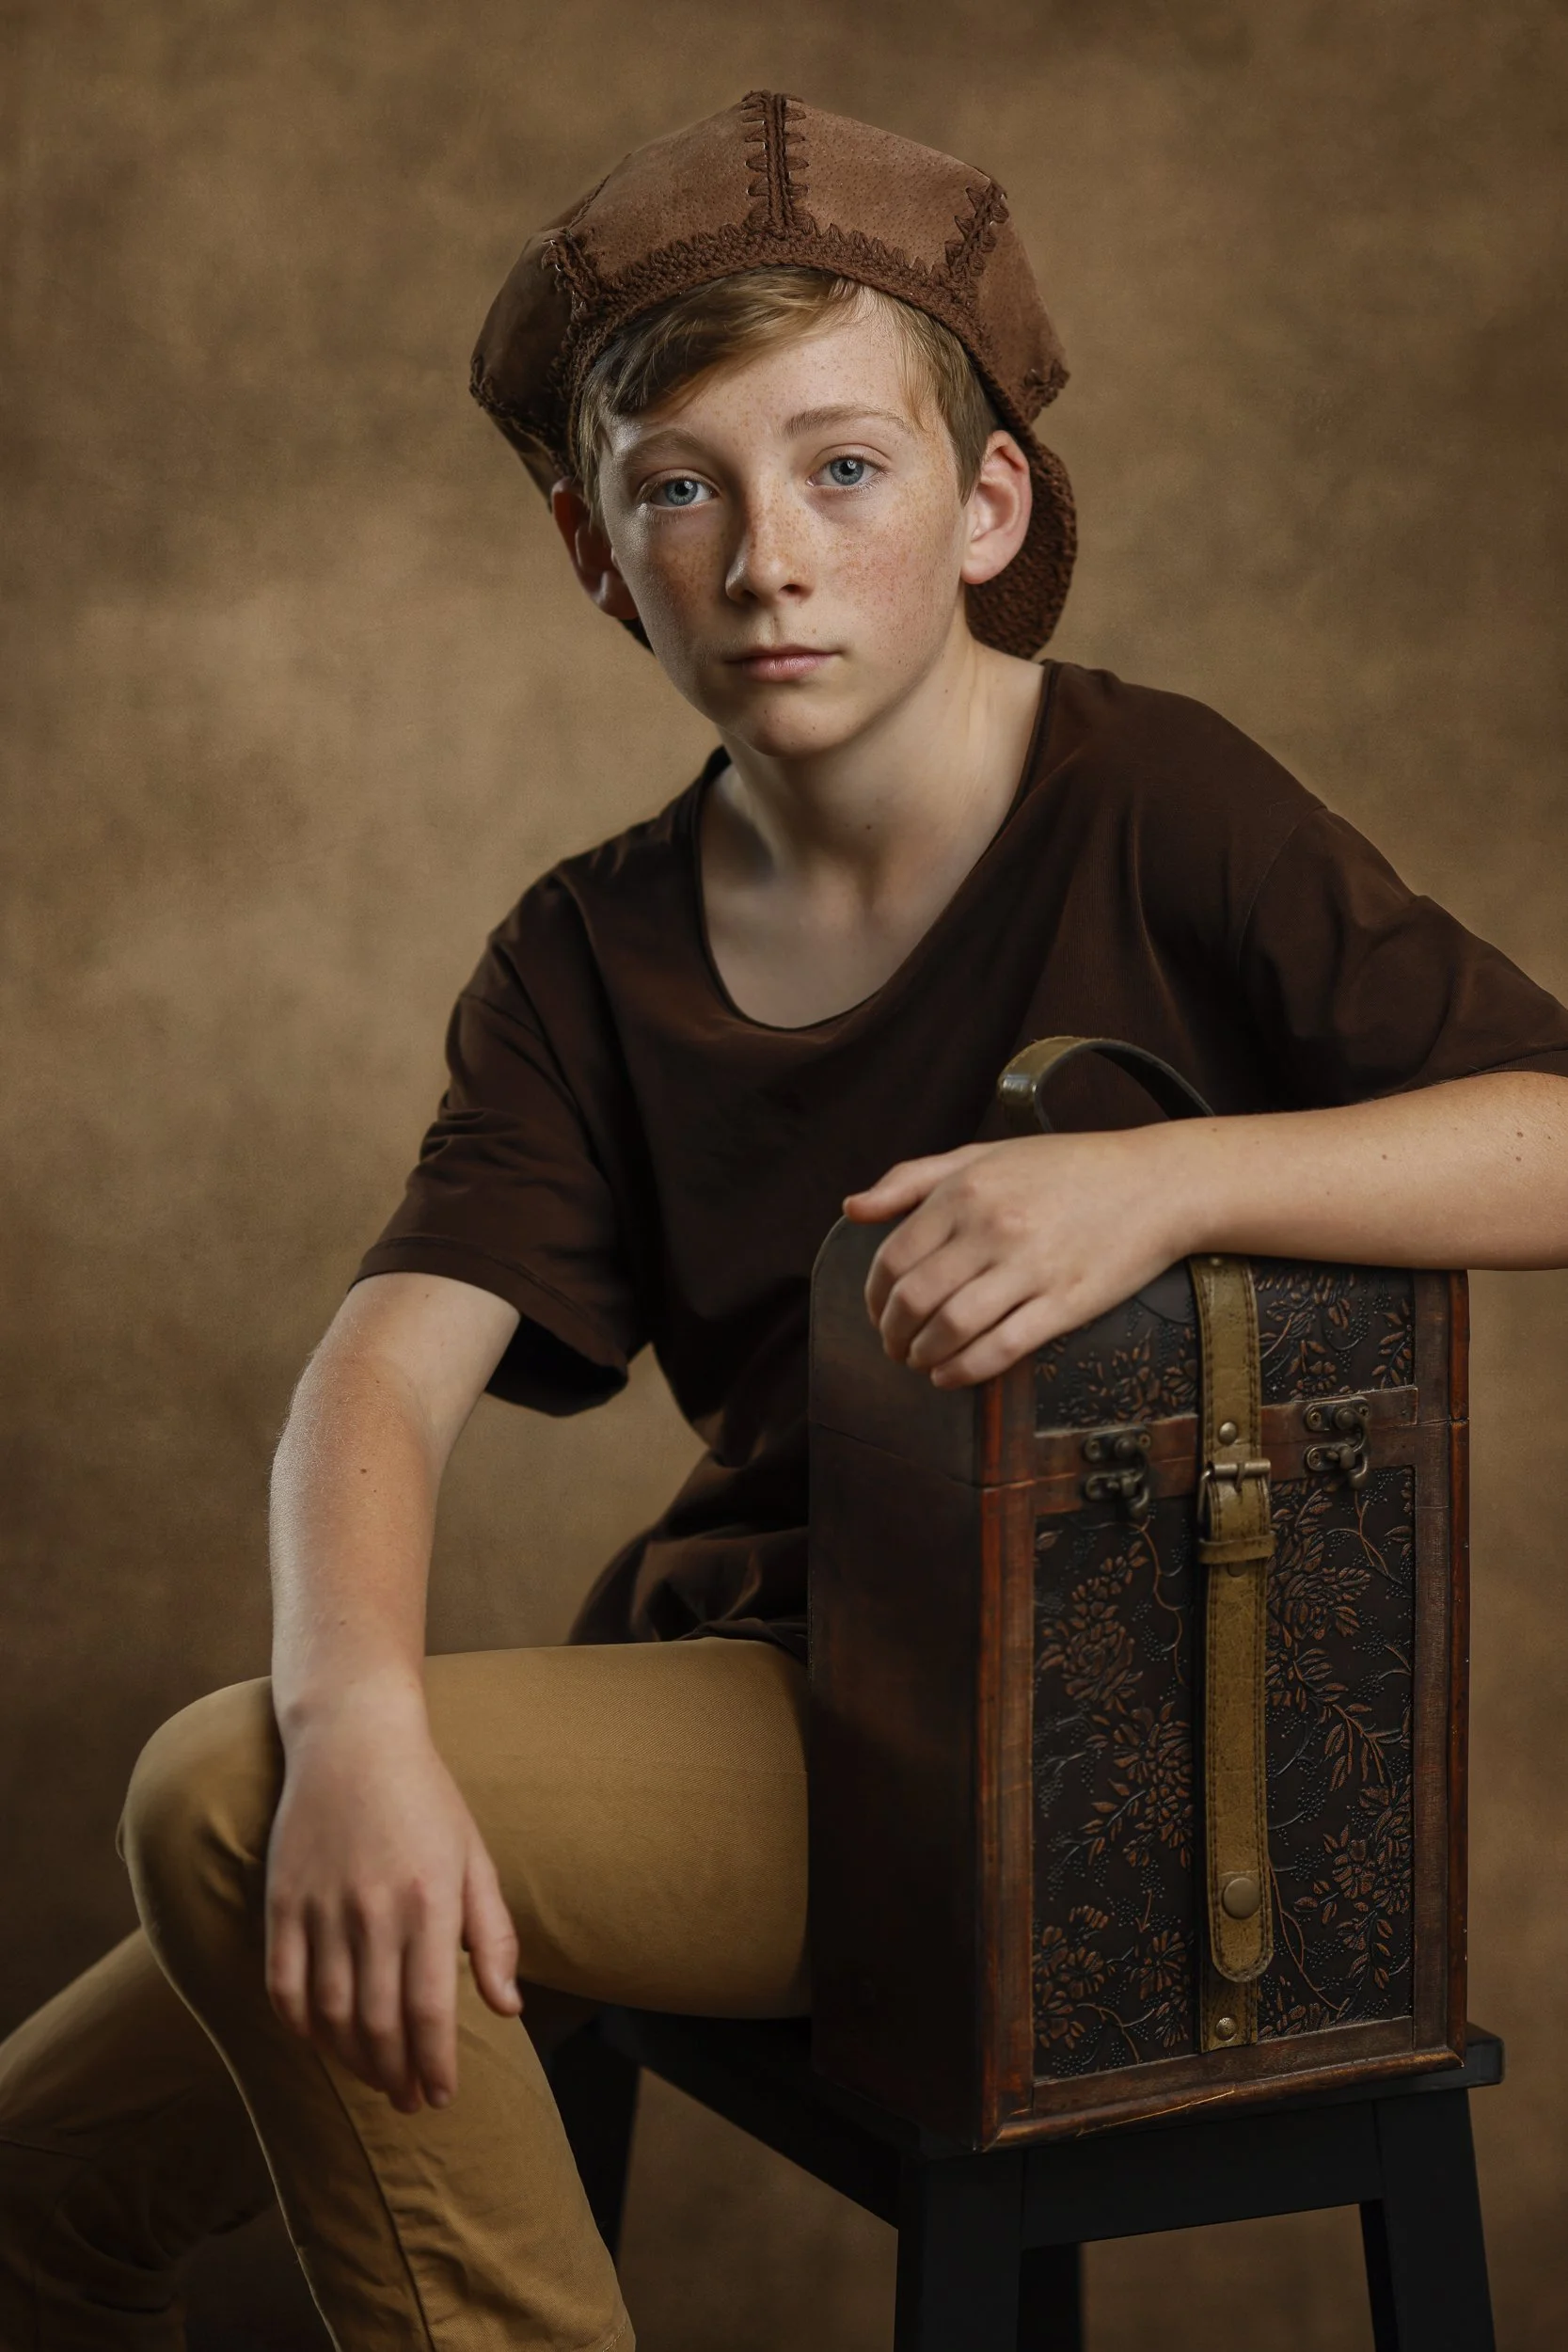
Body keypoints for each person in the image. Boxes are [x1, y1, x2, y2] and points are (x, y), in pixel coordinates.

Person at [3, 88, 1567, 2352]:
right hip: (754, 1707)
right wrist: (359, 1713)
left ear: (983, 502)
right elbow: (386, 1364)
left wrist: (1167, 1172)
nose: (765, 558)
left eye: (841, 467)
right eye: (680, 487)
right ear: (590, 550)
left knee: (215, 1793)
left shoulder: (1163, 805)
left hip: (1067, 1758)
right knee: (37, 2167)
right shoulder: (584, 949)